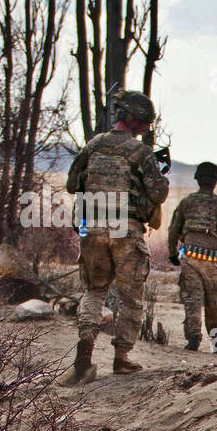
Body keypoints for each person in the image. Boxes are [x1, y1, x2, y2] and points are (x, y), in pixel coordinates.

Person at [61, 90, 169, 384]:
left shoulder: (93, 146)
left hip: (92, 227)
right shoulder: (141, 153)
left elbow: (72, 184)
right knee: (131, 297)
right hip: (126, 231)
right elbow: (158, 192)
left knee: (94, 292)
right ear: (138, 122)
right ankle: (121, 358)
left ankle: (83, 361)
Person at [167, 162, 217, 351]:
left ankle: (193, 340)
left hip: (190, 258)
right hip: (214, 261)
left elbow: (173, 229)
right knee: (213, 304)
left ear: (197, 179)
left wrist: (172, 253)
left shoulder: (186, 202)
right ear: (215, 182)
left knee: (192, 300)